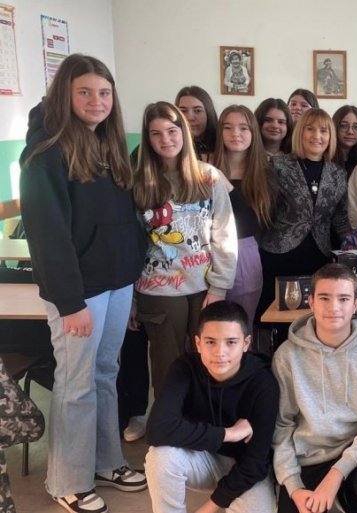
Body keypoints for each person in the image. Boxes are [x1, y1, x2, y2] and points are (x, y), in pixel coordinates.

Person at [20, 53, 148, 513]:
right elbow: (47, 235)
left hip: (117, 284)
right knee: (76, 383)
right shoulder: (45, 154)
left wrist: (130, 279)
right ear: (64, 96)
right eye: (85, 92)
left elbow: (123, 222)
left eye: (104, 92)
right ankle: (67, 480)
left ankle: (105, 461)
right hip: (79, 294)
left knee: (105, 374)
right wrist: (70, 302)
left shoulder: (107, 147)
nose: (97, 101)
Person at [273, 263, 357, 513]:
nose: (334, 307)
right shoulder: (287, 355)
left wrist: (336, 474)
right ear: (310, 302)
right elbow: (282, 425)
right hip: (309, 455)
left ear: (355, 304)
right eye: (324, 298)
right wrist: (293, 485)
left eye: (343, 299)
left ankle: (346, 499)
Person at [133, 101, 238, 401]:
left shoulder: (208, 177)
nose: (166, 139)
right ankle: (169, 424)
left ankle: (206, 419)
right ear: (147, 139)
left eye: (172, 131)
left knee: (211, 362)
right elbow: (130, 243)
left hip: (203, 287)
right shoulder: (138, 182)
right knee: (167, 366)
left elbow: (224, 234)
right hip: (158, 289)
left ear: (184, 133)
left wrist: (219, 287)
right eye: (156, 133)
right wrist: (129, 298)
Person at [145, 301, 279, 513]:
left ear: (246, 343)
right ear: (198, 343)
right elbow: (157, 430)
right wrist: (228, 434)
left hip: (244, 468)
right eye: (210, 342)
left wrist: (207, 508)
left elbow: (255, 463)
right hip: (202, 457)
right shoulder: (184, 368)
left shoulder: (263, 383)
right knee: (159, 458)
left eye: (231, 342)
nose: (220, 352)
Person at [258, 108, 350, 319]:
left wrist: (353, 249)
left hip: (319, 257)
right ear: (300, 132)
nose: (317, 136)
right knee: (277, 318)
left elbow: (340, 218)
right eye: (310, 129)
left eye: (323, 131)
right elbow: (265, 211)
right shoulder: (278, 166)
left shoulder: (338, 174)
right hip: (280, 255)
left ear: (330, 136)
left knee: (313, 317)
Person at [211, 105, 275, 327]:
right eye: (227, 127)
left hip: (244, 254)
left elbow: (252, 222)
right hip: (204, 254)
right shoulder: (205, 166)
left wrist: (224, 184)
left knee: (240, 326)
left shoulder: (265, 173)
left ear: (253, 132)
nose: (235, 134)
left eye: (243, 128)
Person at [176, 86, 218, 161]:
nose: (190, 118)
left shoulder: (222, 145)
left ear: (209, 113)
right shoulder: (171, 147)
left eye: (197, 111)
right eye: (183, 111)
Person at [331, 105, 357, 177]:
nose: (350, 132)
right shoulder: (325, 158)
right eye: (344, 126)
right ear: (334, 127)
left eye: (356, 127)